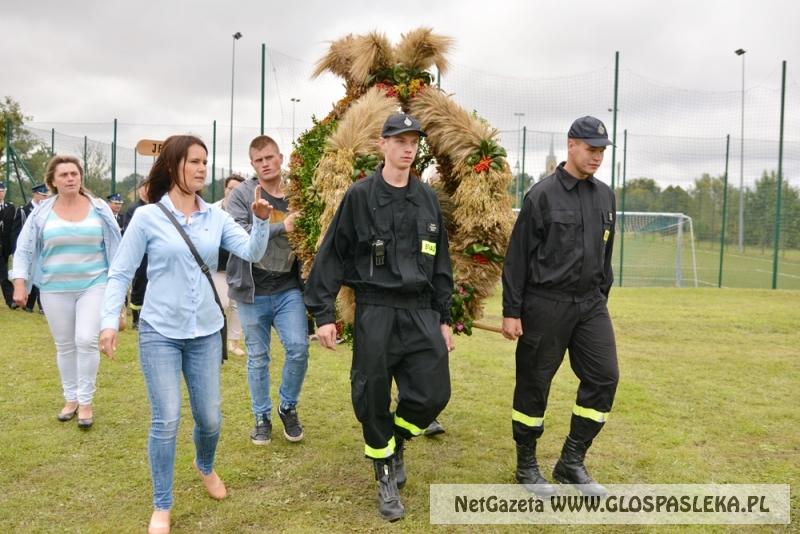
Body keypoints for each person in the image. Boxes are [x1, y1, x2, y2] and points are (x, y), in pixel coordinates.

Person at [98, 135, 273, 534]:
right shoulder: (147, 217)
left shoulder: (216, 216)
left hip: (207, 332)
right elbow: (121, 271)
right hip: (159, 330)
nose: (201, 169)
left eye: (205, 162)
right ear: (174, 164)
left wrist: (261, 222)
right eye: (194, 161)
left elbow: (252, 252)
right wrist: (111, 319)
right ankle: (162, 504)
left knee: (209, 419)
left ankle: (204, 465)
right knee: (167, 419)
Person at [304, 114, 455, 522]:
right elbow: (333, 254)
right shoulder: (359, 196)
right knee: (371, 395)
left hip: (421, 309)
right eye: (400, 140)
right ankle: (385, 473)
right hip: (376, 309)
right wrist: (323, 314)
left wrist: (445, 317)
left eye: (414, 141)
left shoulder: (427, 199)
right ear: (382, 144)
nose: (408, 148)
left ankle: (397, 438)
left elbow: (440, 263)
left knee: (433, 393)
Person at [501, 116, 619, 498]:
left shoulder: (606, 196)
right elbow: (517, 259)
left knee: (604, 378)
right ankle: (526, 466)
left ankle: (571, 461)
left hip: (590, 305)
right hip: (545, 305)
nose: (597, 157)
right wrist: (512, 310)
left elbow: (606, 253)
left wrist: (600, 298)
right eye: (591, 148)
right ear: (571, 146)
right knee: (534, 385)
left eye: (602, 150)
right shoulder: (542, 195)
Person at [11, 156, 121, 428]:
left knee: (85, 339)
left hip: (94, 285)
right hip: (53, 288)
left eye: (74, 173)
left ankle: (85, 401)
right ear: (53, 181)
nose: (70, 178)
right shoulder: (41, 213)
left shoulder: (100, 208)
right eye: (64, 175)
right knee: (65, 345)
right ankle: (70, 398)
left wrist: (119, 288)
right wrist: (20, 282)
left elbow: (117, 247)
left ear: (81, 177)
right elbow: (24, 248)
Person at [226, 135, 310, 446]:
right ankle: (261, 418)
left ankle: (287, 406)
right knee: (258, 357)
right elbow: (238, 233)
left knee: (299, 349)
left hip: (289, 286)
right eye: (259, 160)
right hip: (253, 289)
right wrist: (280, 226)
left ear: (281, 158)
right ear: (252, 164)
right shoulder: (242, 194)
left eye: (270, 158)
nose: (265, 164)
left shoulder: (299, 193)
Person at [211, 174, 246, 356]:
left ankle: (233, 343)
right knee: (223, 303)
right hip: (218, 267)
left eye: (238, 189)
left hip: (238, 266)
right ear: (225, 189)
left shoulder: (244, 211)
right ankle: (216, 339)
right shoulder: (213, 210)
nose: (233, 192)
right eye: (231, 188)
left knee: (236, 306)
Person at [11, 183, 51, 313]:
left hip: (45, 249)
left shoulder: (51, 210)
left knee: (41, 275)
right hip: (28, 249)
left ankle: (42, 305)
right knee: (30, 275)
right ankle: (29, 302)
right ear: (35, 194)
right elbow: (17, 232)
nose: (45, 197)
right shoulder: (24, 210)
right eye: (42, 195)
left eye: (47, 195)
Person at [124, 180, 149, 329]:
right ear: (139, 190)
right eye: (146, 186)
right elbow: (129, 232)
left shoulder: (157, 207)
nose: (149, 189)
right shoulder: (133, 209)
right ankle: (136, 318)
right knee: (139, 285)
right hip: (140, 255)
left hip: (154, 254)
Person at [0, 181, 17, 309]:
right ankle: (10, 300)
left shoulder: (10, 207)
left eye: (2, 191)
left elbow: (12, 228)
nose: (1, 193)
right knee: (3, 273)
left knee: (3, 272)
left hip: (5, 247)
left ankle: (10, 300)